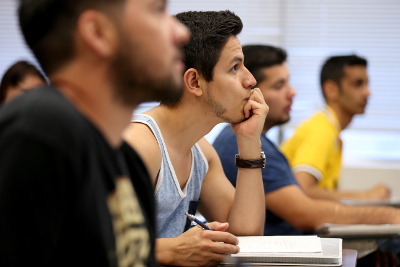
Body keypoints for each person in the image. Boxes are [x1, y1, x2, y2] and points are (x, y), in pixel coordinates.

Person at [0, 0, 189, 266]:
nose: (182, 33)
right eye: (158, 11)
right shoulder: (38, 129)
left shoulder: (127, 162)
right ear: (98, 33)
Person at [213, 45, 400, 261]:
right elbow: (304, 211)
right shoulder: (240, 141)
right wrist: (383, 213)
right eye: (279, 85)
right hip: (285, 256)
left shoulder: (257, 142)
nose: (292, 92)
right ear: (251, 91)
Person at [123, 11, 268, 267]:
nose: (251, 80)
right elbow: (86, 244)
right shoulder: (139, 147)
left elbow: (245, 235)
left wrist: (249, 142)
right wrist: (168, 250)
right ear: (194, 81)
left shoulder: (201, 152)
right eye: (234, 68)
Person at [280, 55, 391, 201]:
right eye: (358, 84)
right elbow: (302, 190)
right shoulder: (321, 130)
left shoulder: (329, 129)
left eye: (367, 84)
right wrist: (365, 196)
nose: (367, 92)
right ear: (331, 90)